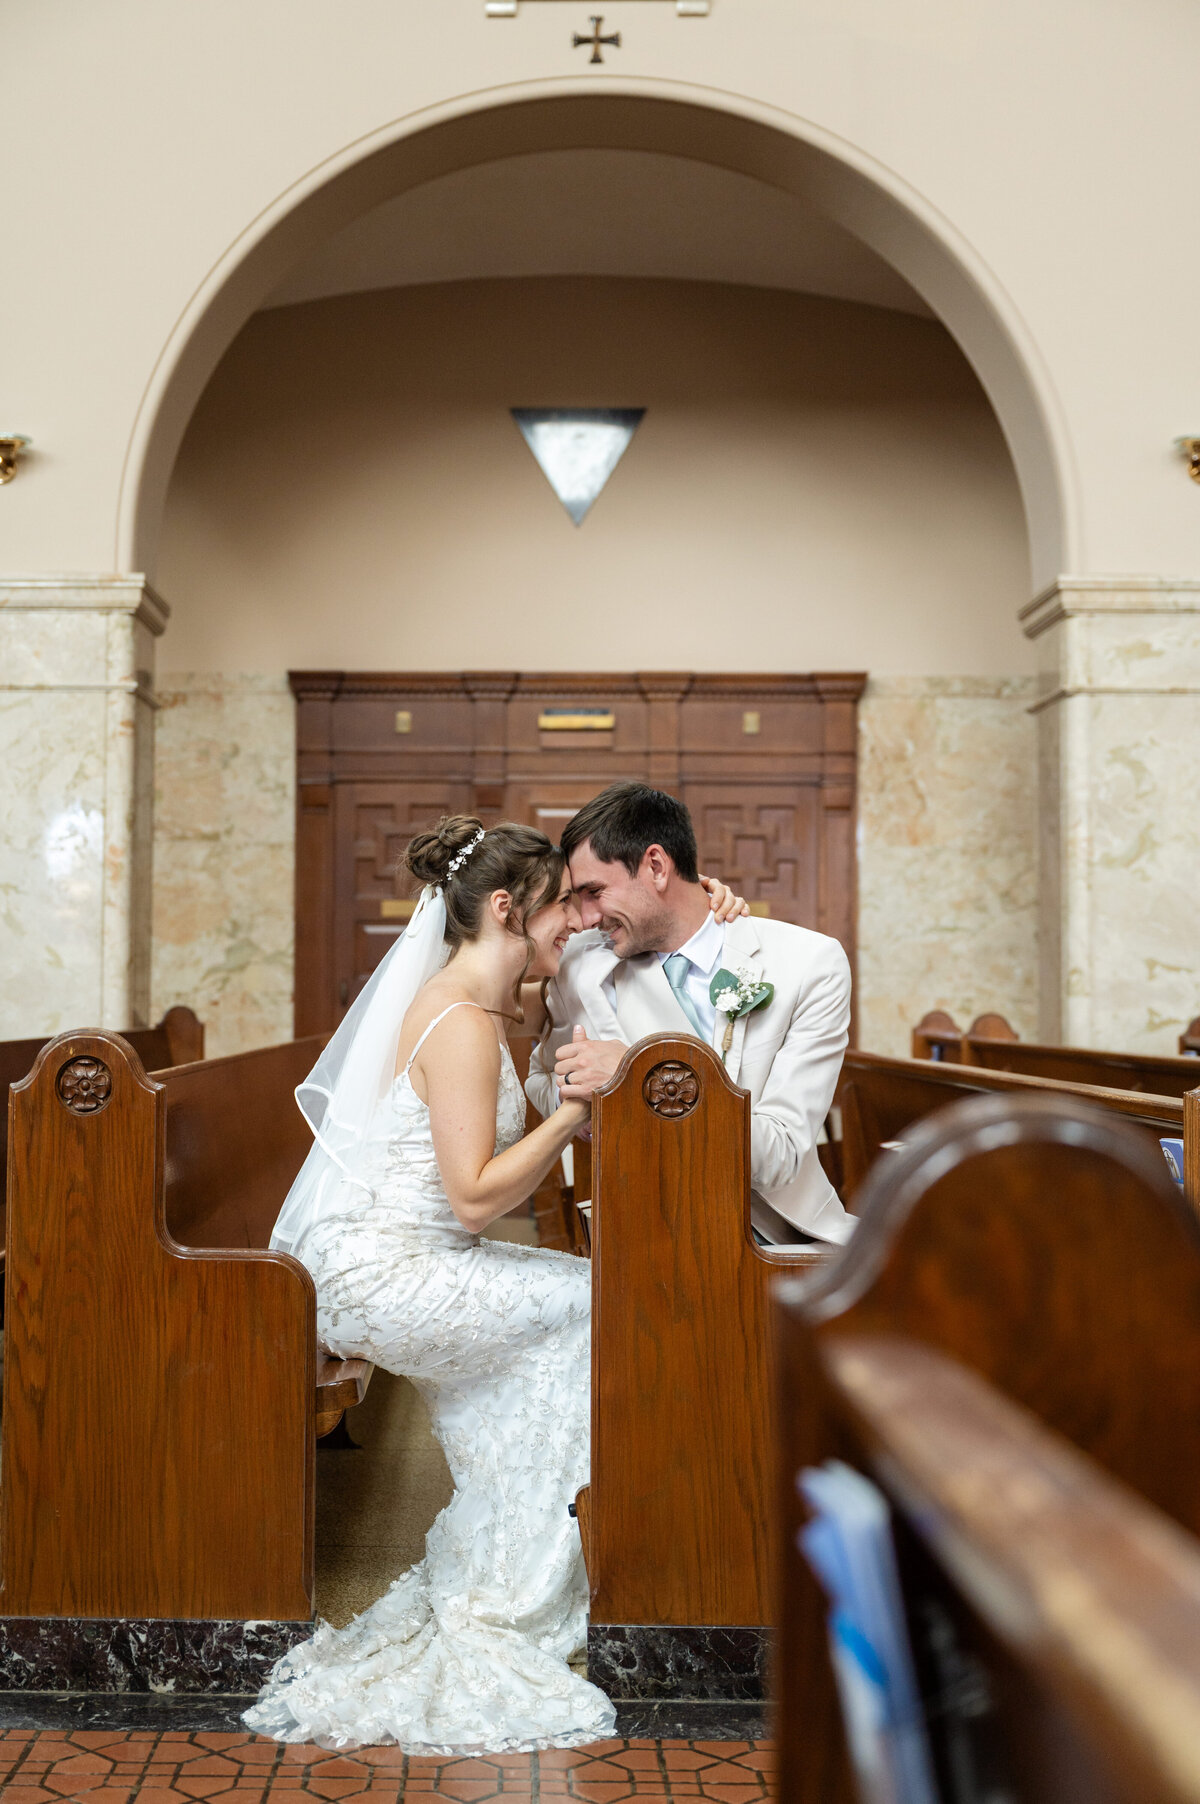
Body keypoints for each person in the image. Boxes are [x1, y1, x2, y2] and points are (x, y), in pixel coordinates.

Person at [244, 814, 745, 1753]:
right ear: (510, 910)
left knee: (581, 1298)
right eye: (565, 908)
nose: (580, 927)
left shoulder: (469, 1004)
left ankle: (511, 1551)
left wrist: (712, 902)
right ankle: (506, 1588)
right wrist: (572, 1116)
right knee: (596, 1311)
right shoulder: (464, 1022)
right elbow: (474, 1199)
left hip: (411, 1258)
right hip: (389, 1271)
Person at [527, 783, 854, 1245]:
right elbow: (540, 1077)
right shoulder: (580, 964)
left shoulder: (808, 963)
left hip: (777, 1234)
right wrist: (580, 1107)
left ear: (656, 866)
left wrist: (634, 1075)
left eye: (594, 891)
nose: (585, 917)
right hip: (643, 1227)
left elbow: (779, 1156)